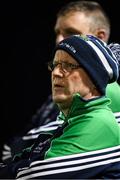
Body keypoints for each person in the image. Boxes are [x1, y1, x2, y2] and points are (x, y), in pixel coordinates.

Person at [1, 0, 120, 163]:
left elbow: (62, 130)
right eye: (58, 32)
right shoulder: (67, 78)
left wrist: (14, 149)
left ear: (100, 37)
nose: (59, 40)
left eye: (70, 33)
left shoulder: (106, 85)